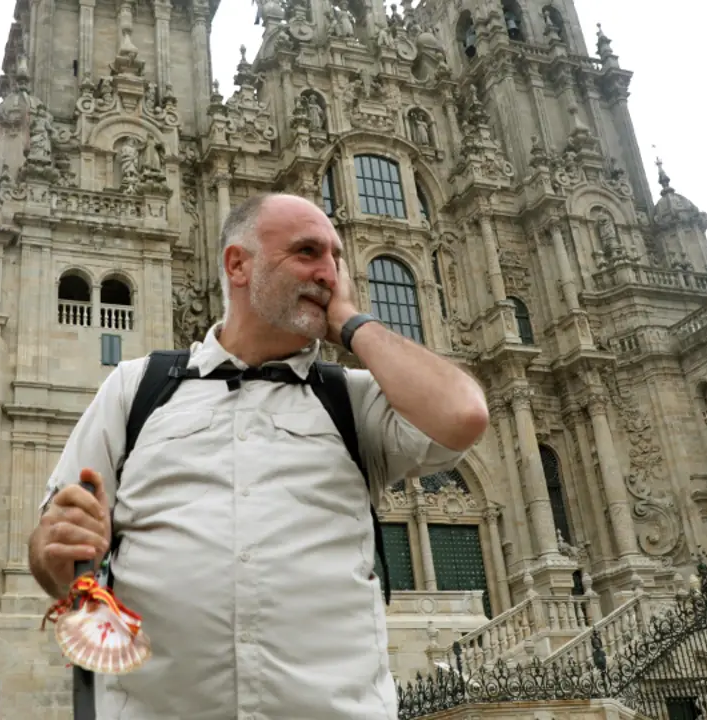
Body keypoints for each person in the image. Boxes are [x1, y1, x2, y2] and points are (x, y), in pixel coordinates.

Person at [27, 192, 490, 719]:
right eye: (308, 252)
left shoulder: (354, 401)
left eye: (337, 258)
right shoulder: (137, 388)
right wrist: (59, 551)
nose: (330, 273)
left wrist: (353, 324)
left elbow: (464, 415)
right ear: (237, 264)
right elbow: (51, 554)